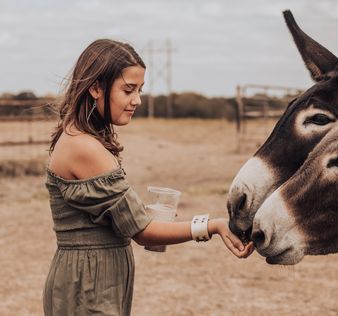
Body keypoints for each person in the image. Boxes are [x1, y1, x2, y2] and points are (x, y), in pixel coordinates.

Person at [44, 39, 254, 315]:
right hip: (89, 283)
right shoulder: (85, 147)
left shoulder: (79, 137)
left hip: (90, 277)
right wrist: (212, 226)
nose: (137, 100)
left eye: (140, 90)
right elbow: (143, 232)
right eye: (128, 90)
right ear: (96, 88)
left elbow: (118, 219)